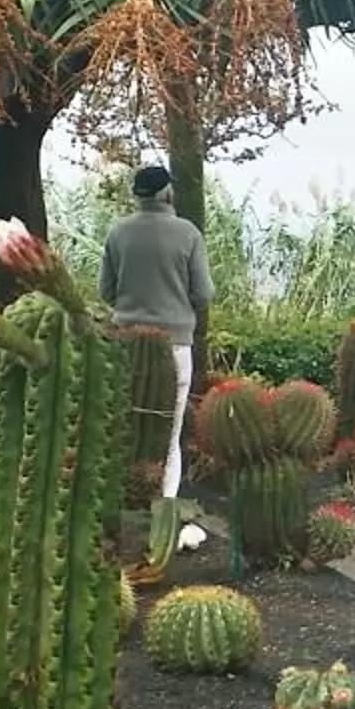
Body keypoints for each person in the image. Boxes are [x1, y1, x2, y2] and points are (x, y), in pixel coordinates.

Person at [98, 164, 212, 514]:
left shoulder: (118, 233)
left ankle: (118, 508)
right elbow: (204, 293)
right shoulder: (188, 233)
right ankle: (162, 513)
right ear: (168, 194)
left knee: (123, 426)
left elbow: (105, 291)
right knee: (170, 434)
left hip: (126, 345)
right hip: (174, 345)